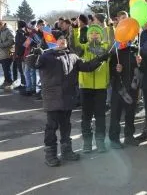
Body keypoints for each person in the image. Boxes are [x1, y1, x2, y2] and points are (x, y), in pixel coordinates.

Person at [25, 30, 109, 167]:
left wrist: (100, 59)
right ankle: (50, 154)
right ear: (53, 41)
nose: (62, 40)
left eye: (64, 38)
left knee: (66, 126)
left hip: (68, 97)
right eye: (59, 38)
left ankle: (66, 151)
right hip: (52, 97)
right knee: (51, 126)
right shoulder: (46, 55)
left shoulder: (73, 56)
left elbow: (86, 67)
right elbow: (32, 64)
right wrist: (35, 55)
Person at [70, 24, 113, 153]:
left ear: (101, 36)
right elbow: (72, 45)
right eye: (92, 34)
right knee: (86, 117)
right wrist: (75, 29)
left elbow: (112, 42)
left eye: (97, 34)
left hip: (101, 88)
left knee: (100, 117)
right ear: (88, 36)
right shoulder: (83, 48)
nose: (94, 35)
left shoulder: (105, 48)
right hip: (85, 87)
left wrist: (110, 28)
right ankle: (87, 143)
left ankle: (100, 143)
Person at [109, 38, 140, 149]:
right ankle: (114, 139)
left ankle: (129, 136)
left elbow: (141, 69)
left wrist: (140, 63)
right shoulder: (115, 51)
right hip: (119, 88)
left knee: (130, 113)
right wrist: (116, 70)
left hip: (132, 88)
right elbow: (109, 71)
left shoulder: (136, 50)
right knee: (115, 114)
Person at [0, 21, 15, 89]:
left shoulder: (8, 30)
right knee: (5, 68)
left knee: (6, 68)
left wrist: (2, 45)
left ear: (1, 25)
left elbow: (12, 41)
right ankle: (7, 81)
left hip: (7, 53)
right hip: (2, 53)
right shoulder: (2, 30)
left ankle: (9, 82)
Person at [13, 20, 27, 89]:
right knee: (21, 70)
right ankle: (23, 83)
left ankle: (23, 84)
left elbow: (20, 45)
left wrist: (18, 54)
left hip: (20, 55)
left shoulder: (20, 33)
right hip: (20, 54)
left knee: (21, 70)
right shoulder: (22, 32)